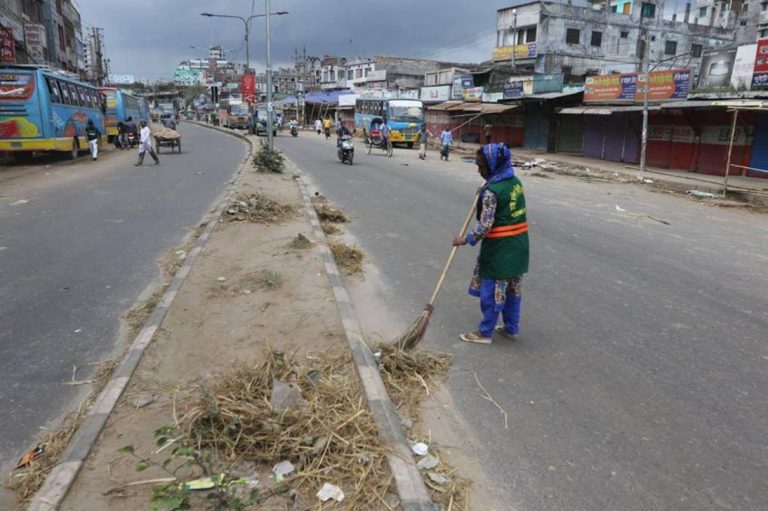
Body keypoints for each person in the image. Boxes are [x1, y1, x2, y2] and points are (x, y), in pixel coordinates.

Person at [452, 143, 529, 345]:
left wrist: (464, 239)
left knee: (492, 292)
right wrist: (485, 187)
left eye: (481, 166)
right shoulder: (515, 182)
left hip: (500, 250)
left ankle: (485, 333)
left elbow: (484, 226)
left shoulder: (491, 192)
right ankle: (511, 329)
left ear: (494, 165)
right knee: (513, 290)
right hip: (519, 246)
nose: (478, 169)